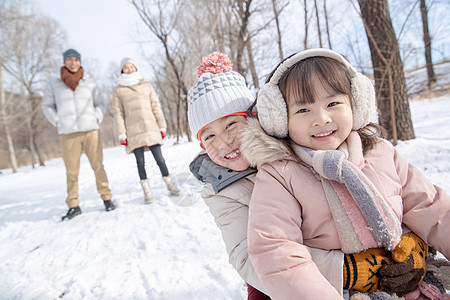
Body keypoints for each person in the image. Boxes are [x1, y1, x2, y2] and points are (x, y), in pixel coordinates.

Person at [187, 52, 431, 300]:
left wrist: (411, 235)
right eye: (209, 136)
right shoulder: (221, 191)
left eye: (231, 125)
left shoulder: (300, 149)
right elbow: (250, 255)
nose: (225, 142)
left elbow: (390, 196)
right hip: (279, 278)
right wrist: (345, 270)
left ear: (259, 120)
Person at [42, 48, 116, 221]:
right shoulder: (54, 84)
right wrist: (58, 121)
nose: (73, 62)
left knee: (98, 165)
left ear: (80, 62)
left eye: (76, 59)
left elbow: (100, 103)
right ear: (64, 62)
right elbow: (47, 106)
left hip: (90, 130)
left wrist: (96, 117)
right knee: (72, 171)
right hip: (68, 133)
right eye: (70, 60)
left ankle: (107, 198)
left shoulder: (88, 82)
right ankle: (73, 205)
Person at [112, 57, 180, 204]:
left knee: (160, 159)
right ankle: (147, 191)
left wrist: (162, 125)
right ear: (122, 70)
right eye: (126, 67)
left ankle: (169, 184)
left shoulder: (146, 84)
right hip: (133, 130)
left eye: (131, 66)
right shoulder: (119, 90)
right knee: (140, 162)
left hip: (150, 127)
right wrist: (122, 133)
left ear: (135, 68)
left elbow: (156, 105)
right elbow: (118, 113)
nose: (129, 69)